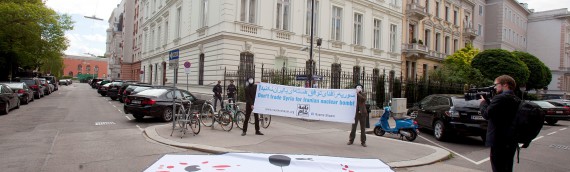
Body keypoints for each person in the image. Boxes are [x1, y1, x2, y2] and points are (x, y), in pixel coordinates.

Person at [479, 75, 520, 172]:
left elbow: (487, 114)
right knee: (507, 167)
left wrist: (483, 103)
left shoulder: (500, 98)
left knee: (498, 167)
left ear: (505, 85)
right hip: (511, 140)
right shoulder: (516, 99)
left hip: (499, 140)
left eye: (496, 85)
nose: (495, 87)